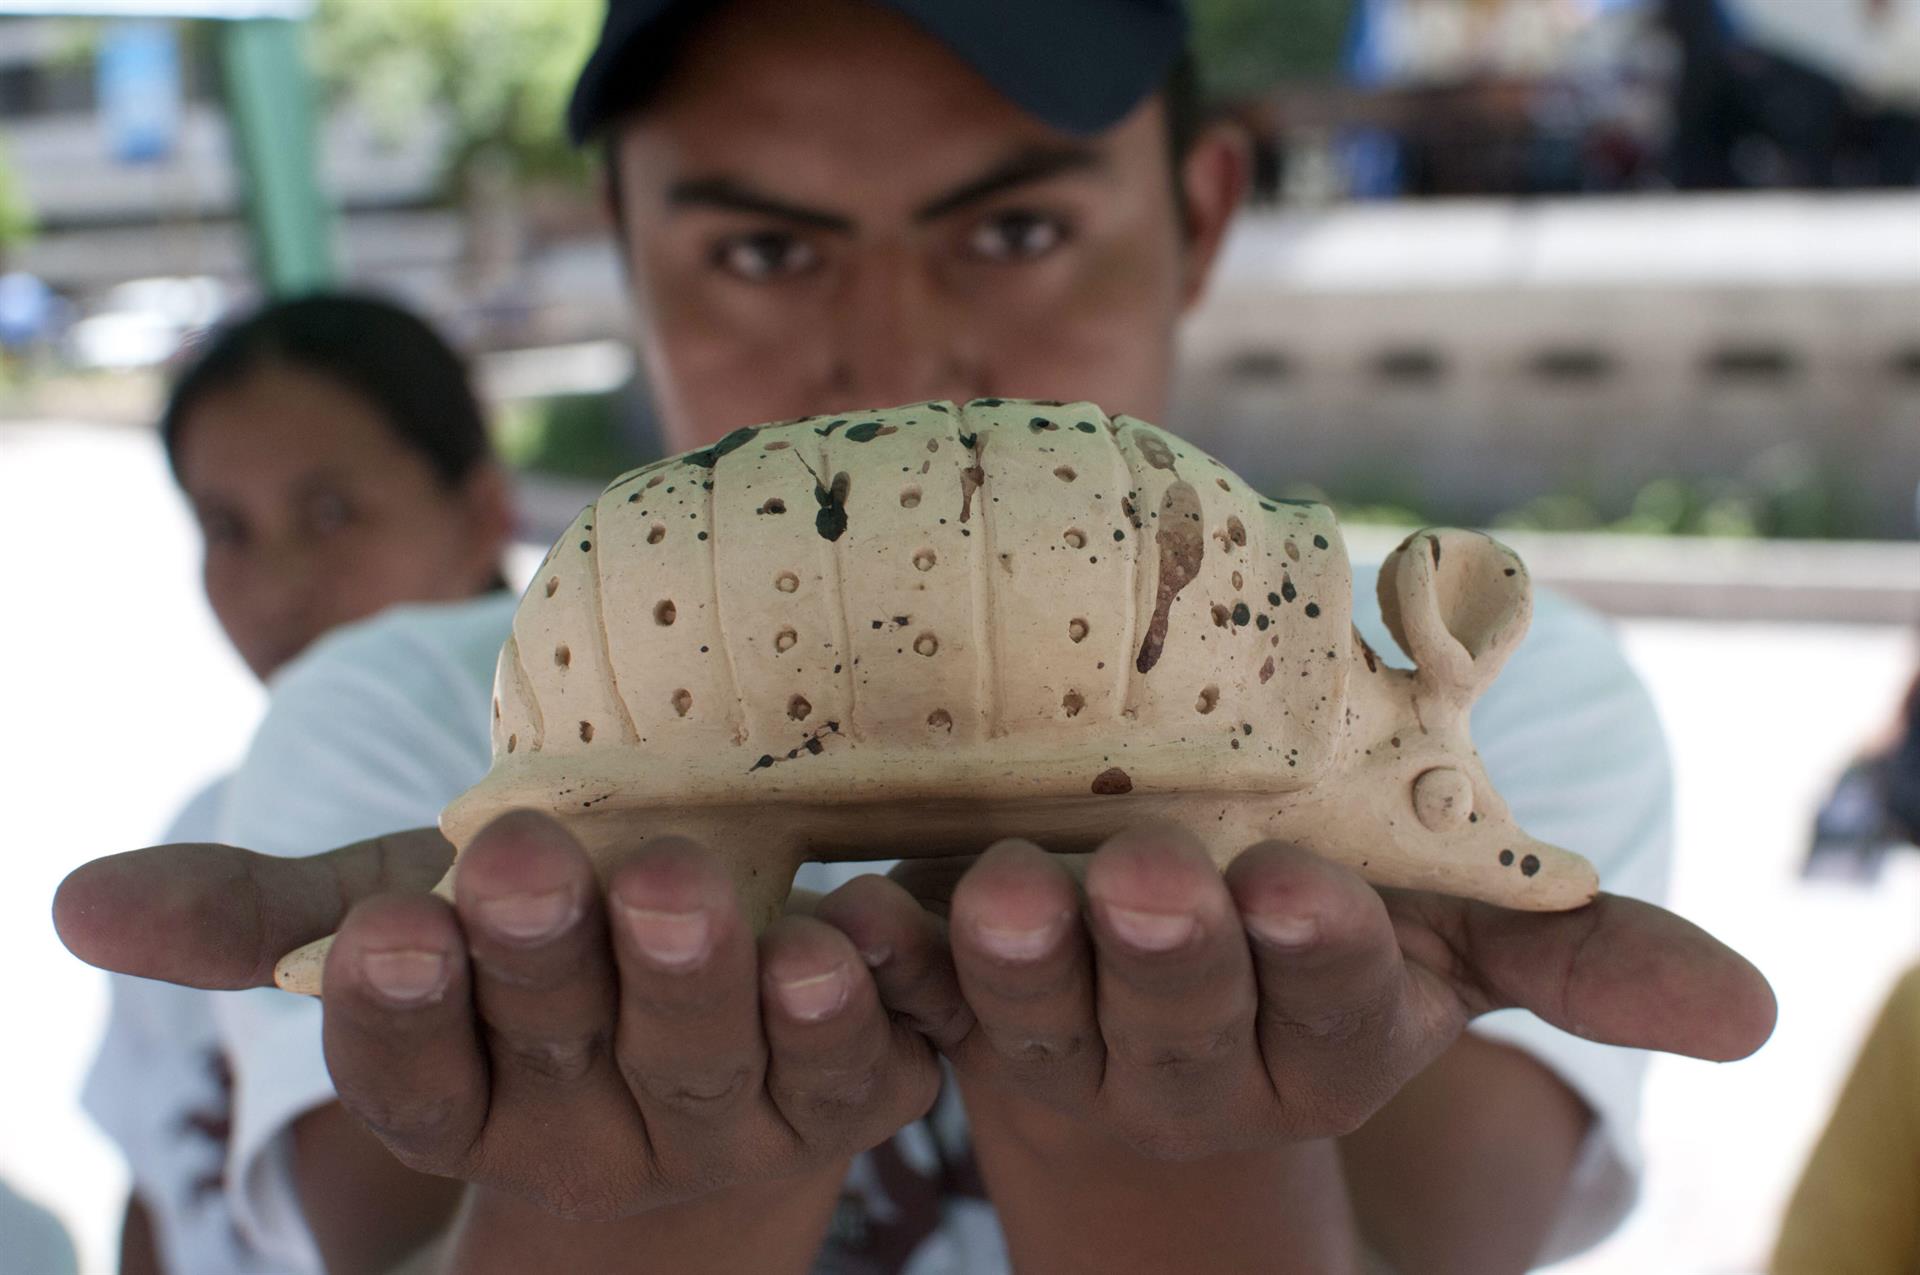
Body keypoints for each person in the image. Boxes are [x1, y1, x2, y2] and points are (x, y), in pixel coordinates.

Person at [54, 3, 1776, 1273]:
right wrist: (672, 1188)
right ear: (628, 245)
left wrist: (1154, 1144)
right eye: (758, 249)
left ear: (1200, 213)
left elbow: (1450, 1236)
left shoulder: (1545, 713)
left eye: (1015, 230)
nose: (896, 356)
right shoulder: (386, 714)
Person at [78, 293, 513, 1274]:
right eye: (226, 528)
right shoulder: (200, 846)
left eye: (330, 513)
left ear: (483, 513)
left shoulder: (638, 803)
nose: (275, 586)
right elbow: (157, 1198)